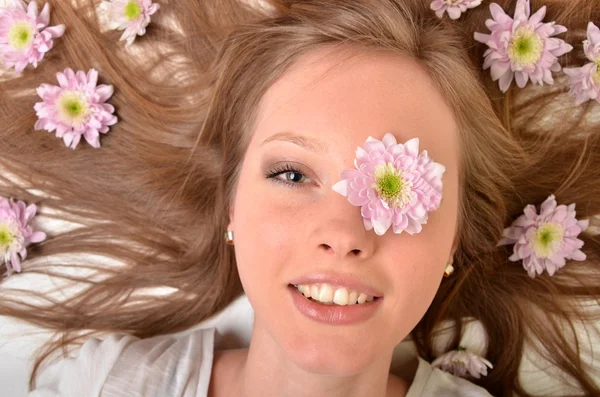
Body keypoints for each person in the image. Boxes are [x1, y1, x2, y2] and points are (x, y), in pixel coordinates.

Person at [0, 0, 599, 396]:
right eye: (291, 174)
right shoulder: (102, 385)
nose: (343, 233)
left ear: (456, 240)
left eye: (398, 190)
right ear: (231, 204)